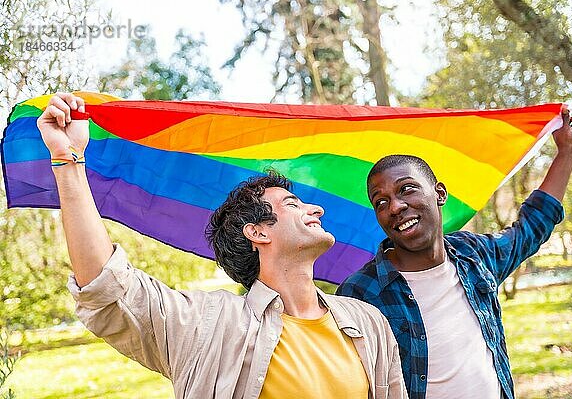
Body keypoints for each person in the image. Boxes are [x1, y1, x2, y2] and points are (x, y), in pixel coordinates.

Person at [38, 93, 408, 399]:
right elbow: (106, 288)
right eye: (292, 205)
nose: (317, 209)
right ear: (258, 233)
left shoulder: (368, 322)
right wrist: (68, 161)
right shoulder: (208, 325)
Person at [336, 108, 572, 399]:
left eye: (407, 189)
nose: (396, 207)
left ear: (440, 194)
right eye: (381, 202)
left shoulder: (474, 256)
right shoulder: (360, 292)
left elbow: (531, 229)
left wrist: (567, 152)